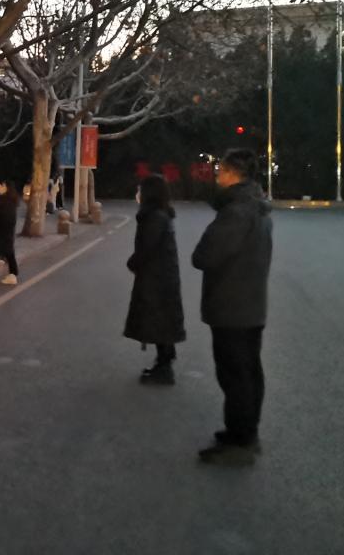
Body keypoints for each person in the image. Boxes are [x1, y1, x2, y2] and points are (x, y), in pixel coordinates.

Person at [192, 149, 273, 466]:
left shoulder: (236, 212)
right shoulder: (257, 208)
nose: (217, 177)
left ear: (231, 174)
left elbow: (204, 256)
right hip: (250, 304)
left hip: (232, 306)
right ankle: (244, 432)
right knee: (248, 372)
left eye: (220, 171)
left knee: (236, 375)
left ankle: (241, 441)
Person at [123, 174, 185, 386]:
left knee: (159, 322)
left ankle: (164, 368)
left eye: (140, 190)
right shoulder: (159, 215)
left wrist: (132, 263)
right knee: (161, 321)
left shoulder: (154, 218)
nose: (137, 194)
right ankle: (163, 362)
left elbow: (146, 249)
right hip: (161, 278)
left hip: (157, 281)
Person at [0, 180, 21, 285]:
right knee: (9, 252)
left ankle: (13, 275)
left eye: (2, 186)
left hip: (5, 230)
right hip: (6, 230)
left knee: (9, 253)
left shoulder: (7, 201)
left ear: (7, 188)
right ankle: (13, 274)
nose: (0, 187)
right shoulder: (7, 199)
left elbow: (6, 218)